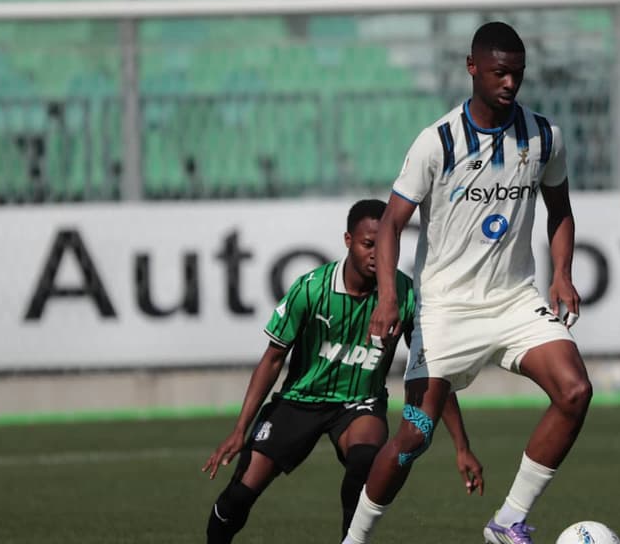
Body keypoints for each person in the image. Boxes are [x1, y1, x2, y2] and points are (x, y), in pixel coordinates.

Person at [342, 22, 592, 544]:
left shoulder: (545, 136)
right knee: (413, 436)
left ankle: (507, 522)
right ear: (472, 67)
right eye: (499, 72)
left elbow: (560, 209)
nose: (509, 83)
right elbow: (390, 223)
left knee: (574, 390)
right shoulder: (437, 142)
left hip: (514, 300)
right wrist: (389, 297)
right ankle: (355, 540)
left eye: (518, 74)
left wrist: (562, 273)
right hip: (445, 312)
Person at [203, 199, 482, 543]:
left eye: (383, 245)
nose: (375, 254)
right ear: (348, 240)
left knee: (366, 461)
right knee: (239, 497)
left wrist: (461, 446)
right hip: (298, 401)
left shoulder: (405, 295)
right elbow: (273, 359)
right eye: (368, 244)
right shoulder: (311, 289)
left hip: (359, 403)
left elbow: (432, 372)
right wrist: (239, 429)